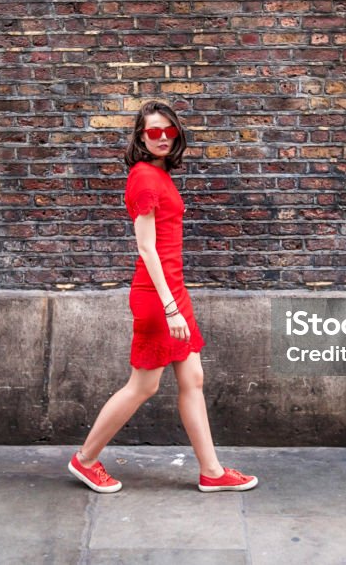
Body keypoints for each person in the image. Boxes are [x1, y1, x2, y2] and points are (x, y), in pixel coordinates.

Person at [68, 100, 258, 494]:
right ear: (141, 136)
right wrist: (170, 306)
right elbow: (147, 248)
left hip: (173, 290)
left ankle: (212, 472)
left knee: (193, 377)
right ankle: (85, 460)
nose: (163, 138)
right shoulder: (143, 178)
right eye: (154, 131)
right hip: (157, 296)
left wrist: (176, 299)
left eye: (169, 131)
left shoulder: (160, 175)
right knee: (143, 386)